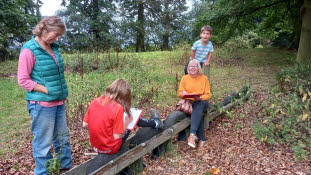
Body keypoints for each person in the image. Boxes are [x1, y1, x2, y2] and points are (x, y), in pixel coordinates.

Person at [17, 16, 72, 174]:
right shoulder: (29, 50)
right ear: (44, 29)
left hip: (58, 102)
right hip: (41, 105)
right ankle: (44, 172)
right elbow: (23, 80)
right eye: (55, 34)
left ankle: (66, 168)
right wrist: (47, 90)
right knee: (43, 143)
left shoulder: (53, 47)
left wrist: (61, 92)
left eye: (59, 35)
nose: (57, 38)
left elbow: (56, 74)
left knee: (62, 138)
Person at [82, 79, 163, 154]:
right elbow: (117, 136)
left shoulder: (95, 101)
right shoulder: (117, 108)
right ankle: (155, 123)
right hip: (110, 148)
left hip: (96, 147)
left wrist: (102, 124)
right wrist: (127, 122)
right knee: (131, 118)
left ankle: (155, 122)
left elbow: (85, 124)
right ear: (123, 96)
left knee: (126, 117)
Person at [178, 59, 211, 150]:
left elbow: (208, 95)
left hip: (202, 102)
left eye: (195, 66)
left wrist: (200, 97)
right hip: (190, 102)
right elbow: (179, 93)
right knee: (197, 113)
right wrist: (183, 94)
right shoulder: (185, 78)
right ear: (188, 68)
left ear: (198, 68)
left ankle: (192, 135)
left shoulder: (204, 78)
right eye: (190, 66)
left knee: (199, 105)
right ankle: (202, 140)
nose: (192, 68)